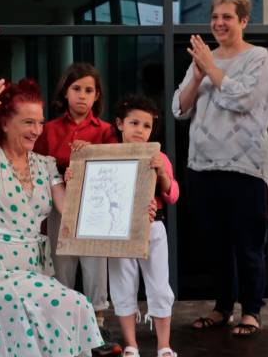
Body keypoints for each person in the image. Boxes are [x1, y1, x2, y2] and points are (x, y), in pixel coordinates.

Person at [0, 77, 151, 356]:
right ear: (4, 122)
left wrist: (134, 211)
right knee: (51, 308)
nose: (37, 130)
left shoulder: (45, 165)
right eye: (28, 122)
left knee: (68, 309)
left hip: (33, 269)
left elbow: (74, 212)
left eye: (40, 122)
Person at [172, 0, 268, 336]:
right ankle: (222, 308)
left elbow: (242, 99)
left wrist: (211, 68)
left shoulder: (258, 57)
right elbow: (179, 108)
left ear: (243, 21)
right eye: (215, 17)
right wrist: (199, 74)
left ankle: (251, 311)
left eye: (227, 17)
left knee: (247, 243)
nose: (218, 23)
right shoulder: (202, 60)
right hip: (203, 166)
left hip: (245, 167)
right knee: (214, 244)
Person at [33, 62, 120, 355]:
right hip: (60, 206)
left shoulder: (107, 131)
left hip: (96, 208)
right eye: (76, 89)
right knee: (63, 262)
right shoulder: (49, 129)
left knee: (95, 263)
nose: (82, 95)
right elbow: (37, 168)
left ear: (97, 96)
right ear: (65, 92)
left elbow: (114, 169)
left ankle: (97, 321)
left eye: (89, 90)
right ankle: (64, 319)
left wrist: (89, 157)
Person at [106, 95, 179, 357]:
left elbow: (172, 194)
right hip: (118, 229)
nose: (140, 129)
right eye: (134, 122)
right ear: (120, 124)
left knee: (159, 285)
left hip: (153, 227)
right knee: (122, 285)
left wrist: (162, 173)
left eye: (146, 125)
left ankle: (164, 345)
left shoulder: (158, 156)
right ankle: (131, 345)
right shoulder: (107, 154)